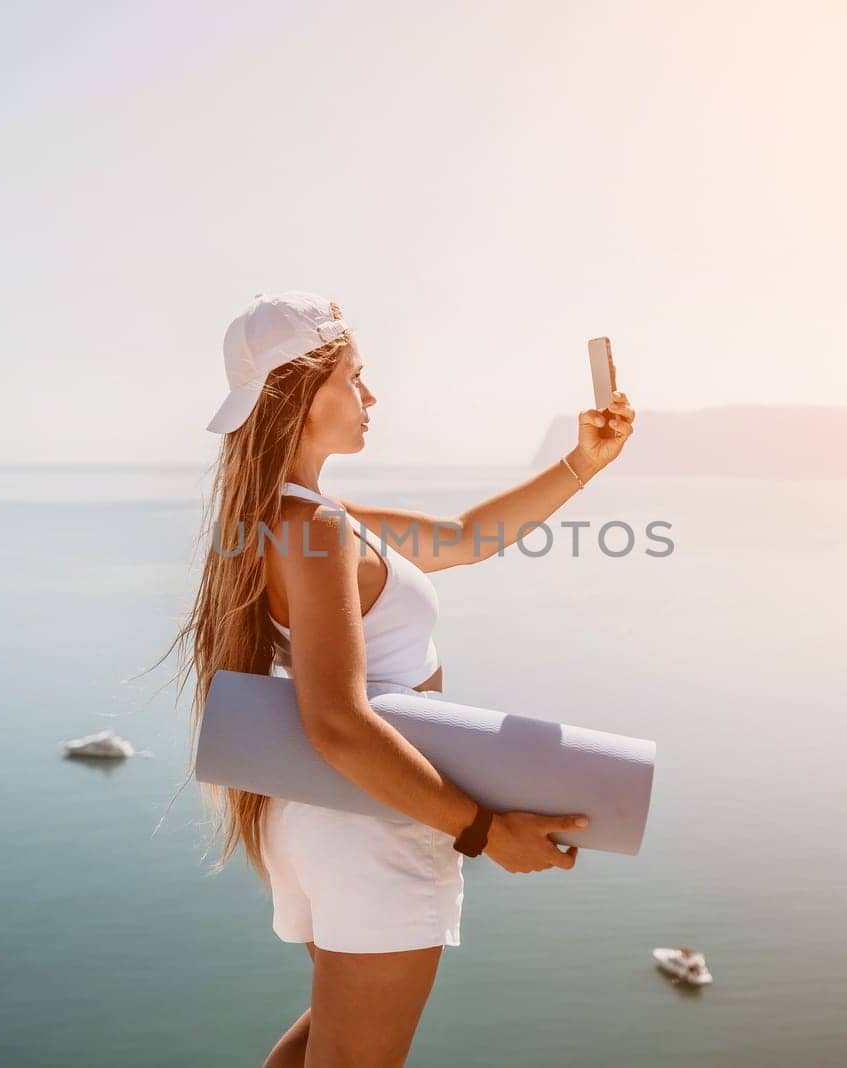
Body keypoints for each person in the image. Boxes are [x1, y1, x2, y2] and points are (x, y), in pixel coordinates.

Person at [167, 291, 636, 1067]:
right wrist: (484, 832)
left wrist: (582, 462)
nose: (371, 395)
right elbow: (337, 722)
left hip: (329, 819)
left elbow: (464, 540)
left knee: (327, 1048)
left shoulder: (301, 517)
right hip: (369, 824)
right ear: (301, 399)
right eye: (355, 376)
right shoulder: (310, 528)